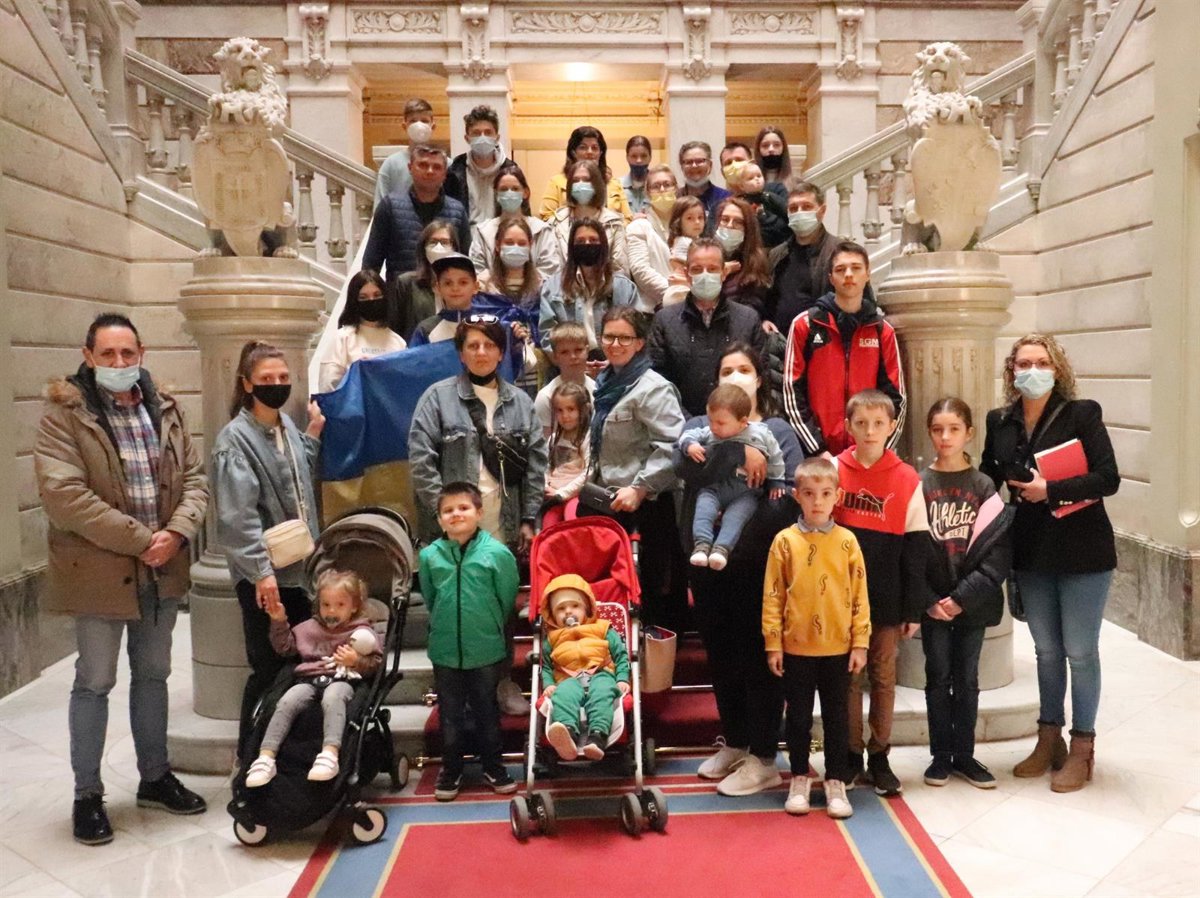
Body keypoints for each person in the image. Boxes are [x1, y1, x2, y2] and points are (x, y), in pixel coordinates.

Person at [35, 313, 209, 845]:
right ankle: (87, 795)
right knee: (95, 680)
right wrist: (142, 540)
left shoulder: (167, 408)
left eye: (127, 353)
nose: (118, 362)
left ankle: (155, 777)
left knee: (154, 674)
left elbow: (195, 480)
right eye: (107, 354)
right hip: (100, 571)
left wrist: (176, 533)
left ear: (141, 354)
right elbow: (65, 497)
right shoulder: (64, 416)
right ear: (88, 356)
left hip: (162, 568)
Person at [980, 334, 1120, 793]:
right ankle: (1048, 739)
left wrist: (1051, 491)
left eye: (1042, 363)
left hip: (1083, 550)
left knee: (1080, 652)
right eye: (1024, 363)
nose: (1033, 371)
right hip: (1032, 549)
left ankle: (1082, 748)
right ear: (1011, 371)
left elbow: (1108, 478)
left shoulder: (1082, 414)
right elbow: (988, 477)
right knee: (1046, 651)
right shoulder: (1000, 421)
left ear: (1057, 370)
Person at [675, 343, 801, 797]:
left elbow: (785, 494)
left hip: (756, 566)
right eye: (727, 369)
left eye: (744, 369)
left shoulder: (778, 429)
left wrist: (740, 543)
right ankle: (736, 741)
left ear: (759, 378)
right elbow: (686, 471)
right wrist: (737, 455)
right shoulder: (699, 423)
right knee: (721, 657)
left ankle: (763, 757)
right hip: (707, 566)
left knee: (757, 659)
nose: (735, 376)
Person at [211, 340, 326, 760]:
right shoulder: (234, 441)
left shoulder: (286, 427)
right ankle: (250, 758)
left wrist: (312, 435)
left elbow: (293, 477)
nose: (276, 384)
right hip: (267, 578)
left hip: (298, 571)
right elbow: (237, 518)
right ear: (246, 384)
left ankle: (288, 758)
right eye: (266, 379)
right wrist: (262, 574)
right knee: (268, 669)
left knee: (298, 666)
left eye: (282, 377)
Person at [832, 389, 933, 796]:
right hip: (841, 599)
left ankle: (880, 755)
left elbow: (917, 548)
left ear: (892, 426)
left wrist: (912, 608)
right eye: (861, 423)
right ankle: (851, 754)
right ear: (848, 426)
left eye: (878, 423)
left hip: (888, 597)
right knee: (849, 679)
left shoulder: (907, 478)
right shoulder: (834, 470)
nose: (870, 431)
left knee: (884, 677)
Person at [763, 456, 870, 819]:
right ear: (797, 496)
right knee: (798, 718)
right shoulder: (784, 542)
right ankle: (799, 776)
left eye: (825, 493)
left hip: (838, 648)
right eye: (809, 493)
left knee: (837, 717)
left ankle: (835, 779)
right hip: (796, 648)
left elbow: (860, 596)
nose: (817, 501)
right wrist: (773, 643)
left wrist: (860, 643)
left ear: (837, 496)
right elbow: (773, 595)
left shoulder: (848, 542)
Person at [921, 398, 1012, 790]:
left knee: (967, 677)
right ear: (929, 433)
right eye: (938, 429)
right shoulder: (919, 485)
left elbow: (996, 555)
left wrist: (962, 598)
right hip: (934, 606)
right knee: (937, 676)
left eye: (954, 429)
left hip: (970, 602)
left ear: (969, 434)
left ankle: (965, 755)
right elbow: (912, 552)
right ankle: (941, 756)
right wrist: (929, 599)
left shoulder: (983, 487)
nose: (945, 437)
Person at [589, 307, 688, 633]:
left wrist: (640, 488)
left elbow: (671, 447)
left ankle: (653, 659)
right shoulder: (605, 382)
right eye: (609, 337)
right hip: (610, 498)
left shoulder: (652, 388)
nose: (615, 344)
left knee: (651, 594)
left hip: (648, 503)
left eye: (624, 338)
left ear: (640, 343)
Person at [418, 482, 520, 800]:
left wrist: (488, 625)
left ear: (479, 512)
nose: (456, 514)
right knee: (450, 715)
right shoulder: (429, 556)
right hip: (445, 651)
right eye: (448, 510)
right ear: (439, 519)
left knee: (487, 712)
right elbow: (431, 597)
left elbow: (506, 598)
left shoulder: (498, 554)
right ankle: (452, 769)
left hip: (485, 649)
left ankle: (493, 766)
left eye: (463, 508)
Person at [409, 316, 547, 550]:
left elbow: (536, 465)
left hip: (506, 530)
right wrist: (445, 514)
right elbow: (421, 461)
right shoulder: (436, 398)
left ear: (501, 353)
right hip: (450, 534)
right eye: (473, 346)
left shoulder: (522, 403)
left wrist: (528, 518)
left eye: (489, 345)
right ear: (461, 355)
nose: (481, 352)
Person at [244, 569, 383, 788]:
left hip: (341, 679)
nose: (331, 611)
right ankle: (266, 757)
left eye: (340, 605)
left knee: (333, 697)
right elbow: (285, 648)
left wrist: (356, 660)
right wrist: (279, 620)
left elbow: (376, 664)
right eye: (326, 605)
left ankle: (330, 753)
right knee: (287, 700)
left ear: (354, 606)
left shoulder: (361, 632)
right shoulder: (309, 628)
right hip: (308, 679)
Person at [782, 240, 905, 458]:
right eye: (840, 269)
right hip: (818, 455)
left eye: (856, 268)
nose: (848, 274)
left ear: (868, 274)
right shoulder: (806, 325)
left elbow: (896, 397)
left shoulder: (881, 330)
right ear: (831, 278)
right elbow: (792, 393)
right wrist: (818, 450)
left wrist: (877, 449)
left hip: (868, 455)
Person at [649, 237, 766, 417]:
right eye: (697, 269)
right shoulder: (664, 321)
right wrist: (690, 425)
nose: (705, 275)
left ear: (724, 273)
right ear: (687, 274)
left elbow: (761, 378)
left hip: (738, 423)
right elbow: (659, 383)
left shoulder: (748, 319)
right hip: (681, 425)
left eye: (712, 269)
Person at [680, 384, 786, 570]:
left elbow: (776, 457)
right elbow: (687, 435)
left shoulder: (762, 433)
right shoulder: (709, 432)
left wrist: (776, 481)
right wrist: (689, 445)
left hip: (746, 491)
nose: (713, 427)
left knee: (735, 518)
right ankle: (702, 545)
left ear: (743, 422)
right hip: (714, 488)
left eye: (720, 423)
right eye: (710, 420)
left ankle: (721, 550)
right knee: (703, 510)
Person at [540, 574, 632, 760]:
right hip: (567, 678)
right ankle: (567, 733)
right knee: (562, 695)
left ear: (587, 608)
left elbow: (621, 656)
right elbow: (547, 667)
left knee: (603, 693)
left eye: (575, 606)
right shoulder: (552, 638)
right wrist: (548, 684)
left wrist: (622, 678)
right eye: (561, 609)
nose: (568, 612)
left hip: (601, 673)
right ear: (552, 615)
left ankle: (597, 736)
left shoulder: (603, 628)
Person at [363, 145, 471, 282]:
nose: (430, 171)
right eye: (423, 165)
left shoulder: (457, 211)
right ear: (410, 168)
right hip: (400, 293)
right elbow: (371, 263)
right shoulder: (389, 207)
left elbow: (466, 261)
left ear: (445, 173)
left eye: (437, 167)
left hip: (446, 292)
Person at [539, 218, 641, 353]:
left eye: (593, 240)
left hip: (616, 360)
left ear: (603, 245)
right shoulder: (552, 287)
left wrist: (613, 362)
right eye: (580, 241)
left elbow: (637, 333)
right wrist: (574, 361)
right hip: (571, 362)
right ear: (572, 247)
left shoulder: (625, 287)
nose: (587, 245)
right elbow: (548, 338)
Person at [477, 216, 546, 397]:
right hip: (496, 372)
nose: (515, 247)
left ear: (530, 246)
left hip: (534, 374)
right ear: (497, 245)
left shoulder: (542, 286)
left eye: (522, 243)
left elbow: (546, 330)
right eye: (509, 242)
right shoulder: (482, 285)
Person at [765, 181, 841, 332]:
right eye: (793, 209)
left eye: (806, 207)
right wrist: (765, 320)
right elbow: (768, 300)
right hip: (783, 340)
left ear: (822, 211)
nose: (799, 213)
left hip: (826, 339)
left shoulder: (840, 252)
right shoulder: (776, 255)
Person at [468, 164, 561, 284]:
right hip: (492, 293)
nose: (509, 193)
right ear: (496, 194)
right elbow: (476, 271)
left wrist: (525, 285)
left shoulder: (541, 230)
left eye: (515, 189)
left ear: (525, 193)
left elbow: (550, 270)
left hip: (535, 293)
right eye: (503, 189)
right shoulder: (483, 231)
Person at [318, 269, 406, 392]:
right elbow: (328, 385)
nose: (371, 300)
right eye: (363, 297)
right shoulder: (342, 339)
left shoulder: (399, 343)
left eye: (377, 295)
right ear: (354, 301)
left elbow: (403, 385)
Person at [549, 160, 629, 275]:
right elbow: (553, 269)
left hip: (605, 285)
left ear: (597, 185)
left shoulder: (614, 224)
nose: (580, 184)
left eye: (586, 180)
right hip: (564, 284)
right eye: (576, 180)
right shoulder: (556, 223)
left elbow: (620, 270)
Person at [626, 164, 689, 308]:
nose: (662, 189)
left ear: (676, 188)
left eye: (667, 185)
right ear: (648, 192)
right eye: (656, 186)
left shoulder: (690, 223)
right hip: (653, 308)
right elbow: (641, 271)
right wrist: (675, 296)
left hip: (690, 306)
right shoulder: (638, 227)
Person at [539, 126, 632, 221]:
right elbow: (546, 217)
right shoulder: (557, 182)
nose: (589, 152)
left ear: (600, 153)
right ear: (573, 152)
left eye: (594, 148)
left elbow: (627, 219)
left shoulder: (614, 184)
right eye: (583, 147)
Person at [389, 220, 460, 341]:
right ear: (424, 247)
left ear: (454, 247)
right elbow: (395, 330)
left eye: (444, 242)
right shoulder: (406, 283)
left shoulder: (461, 284)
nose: (438, 247)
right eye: (433, 242)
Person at [445, 105, 507, 225]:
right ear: (467, 138)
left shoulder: (509, 170)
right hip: (466, 235)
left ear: (497, 138)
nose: (482, 138)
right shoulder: (455, 171)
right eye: (476, 133)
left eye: (488, 133)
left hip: (500, 234)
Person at [712, 197, 773, 318]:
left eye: (738, 222)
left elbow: (752, 310)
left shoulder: (756, 262)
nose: (730, 225)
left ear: (748, 228)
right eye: (725, 219)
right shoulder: (705, 254)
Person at [542, 382, 592, 525]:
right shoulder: (554, 439)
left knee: (572, 520)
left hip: (576, 496)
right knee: (548, 525)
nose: (565, 416)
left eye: (571, 409)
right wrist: (546, 486)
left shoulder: (587, 438)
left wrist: (563, 493)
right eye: (559, 410)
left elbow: (589, 473)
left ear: (583, 409)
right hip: (552, 495)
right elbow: (544, 466)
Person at [373, 97, 435, 209]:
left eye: (424, 121)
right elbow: (380, 207)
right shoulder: (391, 164)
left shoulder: (446, 165)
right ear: (404, 126)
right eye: (413, 121)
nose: (419, 125)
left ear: (433, 126)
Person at [729, 161, 791, 249]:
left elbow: (786, 211)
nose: (757, 179)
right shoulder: (741, 203)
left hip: (778, 240)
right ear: (742, 186)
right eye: (750, 178)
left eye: (759, 176)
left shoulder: (770, 197)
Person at [678, 140, 730, 226]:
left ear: (710, 164)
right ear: (682, 167)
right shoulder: (675, 199)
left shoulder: (725, 198)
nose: (694, 165)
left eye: (700, 161)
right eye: (689, 162)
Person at [667, 195, 708, 287]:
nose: (697, 222)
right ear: (678, 222)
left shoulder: (696, 240)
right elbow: (678, 268)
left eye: (700, 217)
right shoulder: (684, 242)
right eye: (690, 218)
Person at [754, 125, 793, 204]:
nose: (771, 149)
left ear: (783, 148)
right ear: (758, 150)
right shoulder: (750, 183)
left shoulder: (795, 184)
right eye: (765, 145)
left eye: (776, 145)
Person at [621, 135, 653, 215]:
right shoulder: (617, 187)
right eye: (634, 156)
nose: (639, 160)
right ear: (627, 158)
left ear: (650, 157)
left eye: (643, 156)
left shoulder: (659, 187)